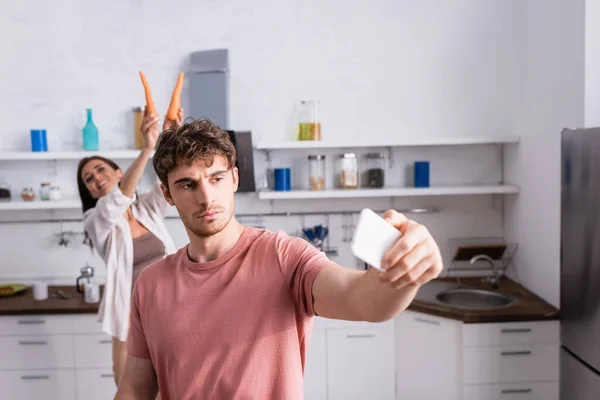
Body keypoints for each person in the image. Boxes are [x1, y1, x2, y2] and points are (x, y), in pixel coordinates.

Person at [114, 118, 444, 400]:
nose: (206, 196)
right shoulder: (151, 284)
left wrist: (406, 269)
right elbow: (135, 389)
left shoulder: (283, 256)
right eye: (188, 184)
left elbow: (365, 301)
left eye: (216, 178)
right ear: (168, 195)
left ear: (235, 179)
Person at [76, 108, 183, 387]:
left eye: (100, 169)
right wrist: (147, 149)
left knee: (173, 387)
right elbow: (116, 200)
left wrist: (169, 139)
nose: (96, 177)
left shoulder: (146, 209)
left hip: (169, 310)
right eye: (89, 178)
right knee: (131, 390)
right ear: (90, 192)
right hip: (129, 320)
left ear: (119, 172)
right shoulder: (96, 220)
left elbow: (168, 181)